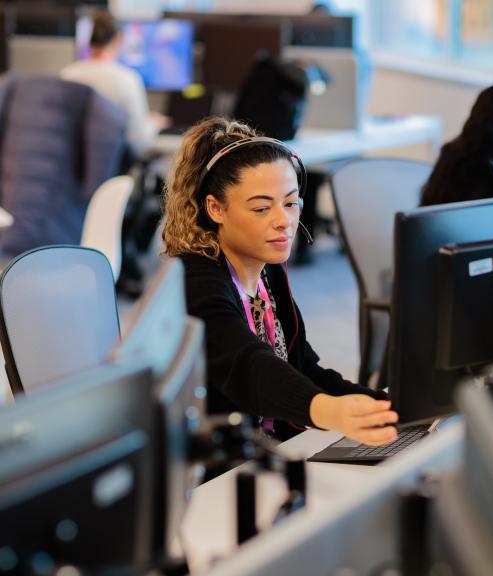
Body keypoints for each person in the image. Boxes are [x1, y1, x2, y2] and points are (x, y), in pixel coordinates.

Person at [161, 116, 399, 446]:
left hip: (271, 449)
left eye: (290, 203)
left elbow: (303, 369)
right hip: (214, 466)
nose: (283, 222)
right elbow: (248, 368)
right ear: (215, 209)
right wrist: (326, 410)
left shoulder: (267, 271)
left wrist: (389, 410)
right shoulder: (194, 282)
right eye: (261, 208)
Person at [61, 11, 168, 158]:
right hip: (110, 167)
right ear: (118, 39)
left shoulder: (67, 74)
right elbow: (139, 141)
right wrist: (154, 124)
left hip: (70, 165)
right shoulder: (127, 79)